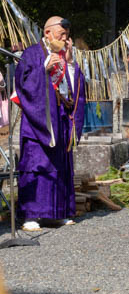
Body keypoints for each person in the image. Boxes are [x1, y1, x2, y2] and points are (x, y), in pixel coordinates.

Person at [11, 16, 85, 231]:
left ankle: (59, 212)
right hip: (38, 120)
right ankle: (31, 215)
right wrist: (43, 69)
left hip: (60, 118)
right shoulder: (32, 53)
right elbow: (22, 84)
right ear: (47, 33)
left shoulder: (66, 55)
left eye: (67, 36)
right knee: (35, 166)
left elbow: (77, 88)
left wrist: (70, 64)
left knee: (60, 166)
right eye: (61, 35)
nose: (64, 40)